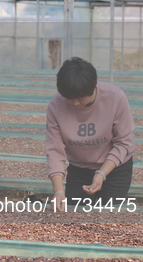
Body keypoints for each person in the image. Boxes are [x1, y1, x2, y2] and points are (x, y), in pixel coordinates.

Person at [46, 57, 136, 211]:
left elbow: (124, 142)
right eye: (69, 99)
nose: (75, 104)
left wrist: (102, 173)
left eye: (80, 99)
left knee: (108, 216)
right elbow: (55, 150)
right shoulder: (56, 105)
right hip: (79, 168)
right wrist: (59, 191)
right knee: (75, 217)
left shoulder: (115, 98)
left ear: (93, 87)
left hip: (115, 168)